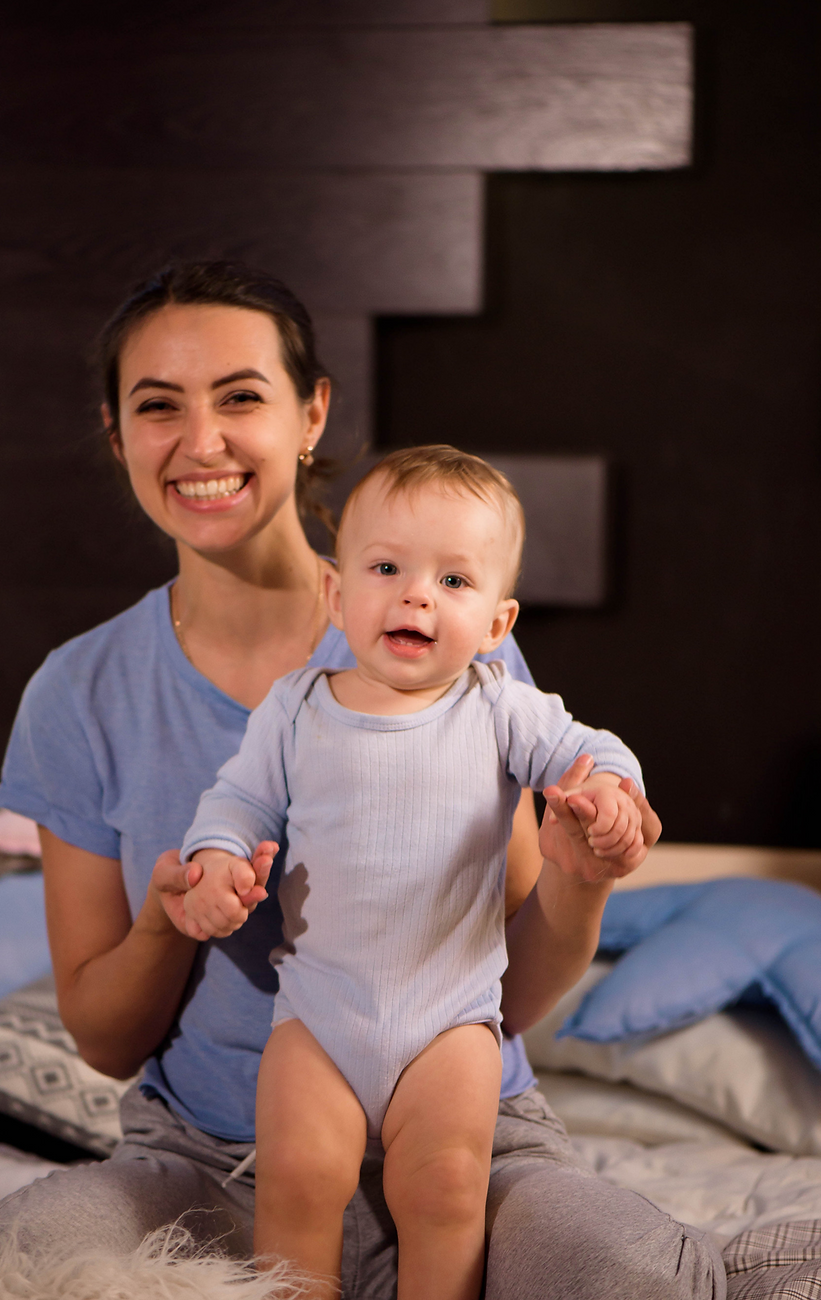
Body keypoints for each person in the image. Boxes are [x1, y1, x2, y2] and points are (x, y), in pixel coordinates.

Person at [0, 260, 725, 1299]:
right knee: (3, 1264)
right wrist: (167, 918)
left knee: (632, 1275)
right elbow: (103, 1040)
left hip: (466, 1134)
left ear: (311, 412)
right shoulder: (80, 691)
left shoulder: (463, 661)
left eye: (241, 396)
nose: (201, 442)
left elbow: (509, 994)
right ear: (116, 434)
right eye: (158, 406)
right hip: (213, 1155)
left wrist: (581, 872)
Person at [179, 445, 647, 1300]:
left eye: (454, 581)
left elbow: (594, 750)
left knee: (445, 1190)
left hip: (448, 1020)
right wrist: (214, 861)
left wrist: (609, 791)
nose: (416, 595)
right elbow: (234, 802)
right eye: (387, 568)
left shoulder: (498, 707)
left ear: (498, 625)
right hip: (319, 1014)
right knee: (296, 1181)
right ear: (336, 594)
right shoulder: (295, 708)